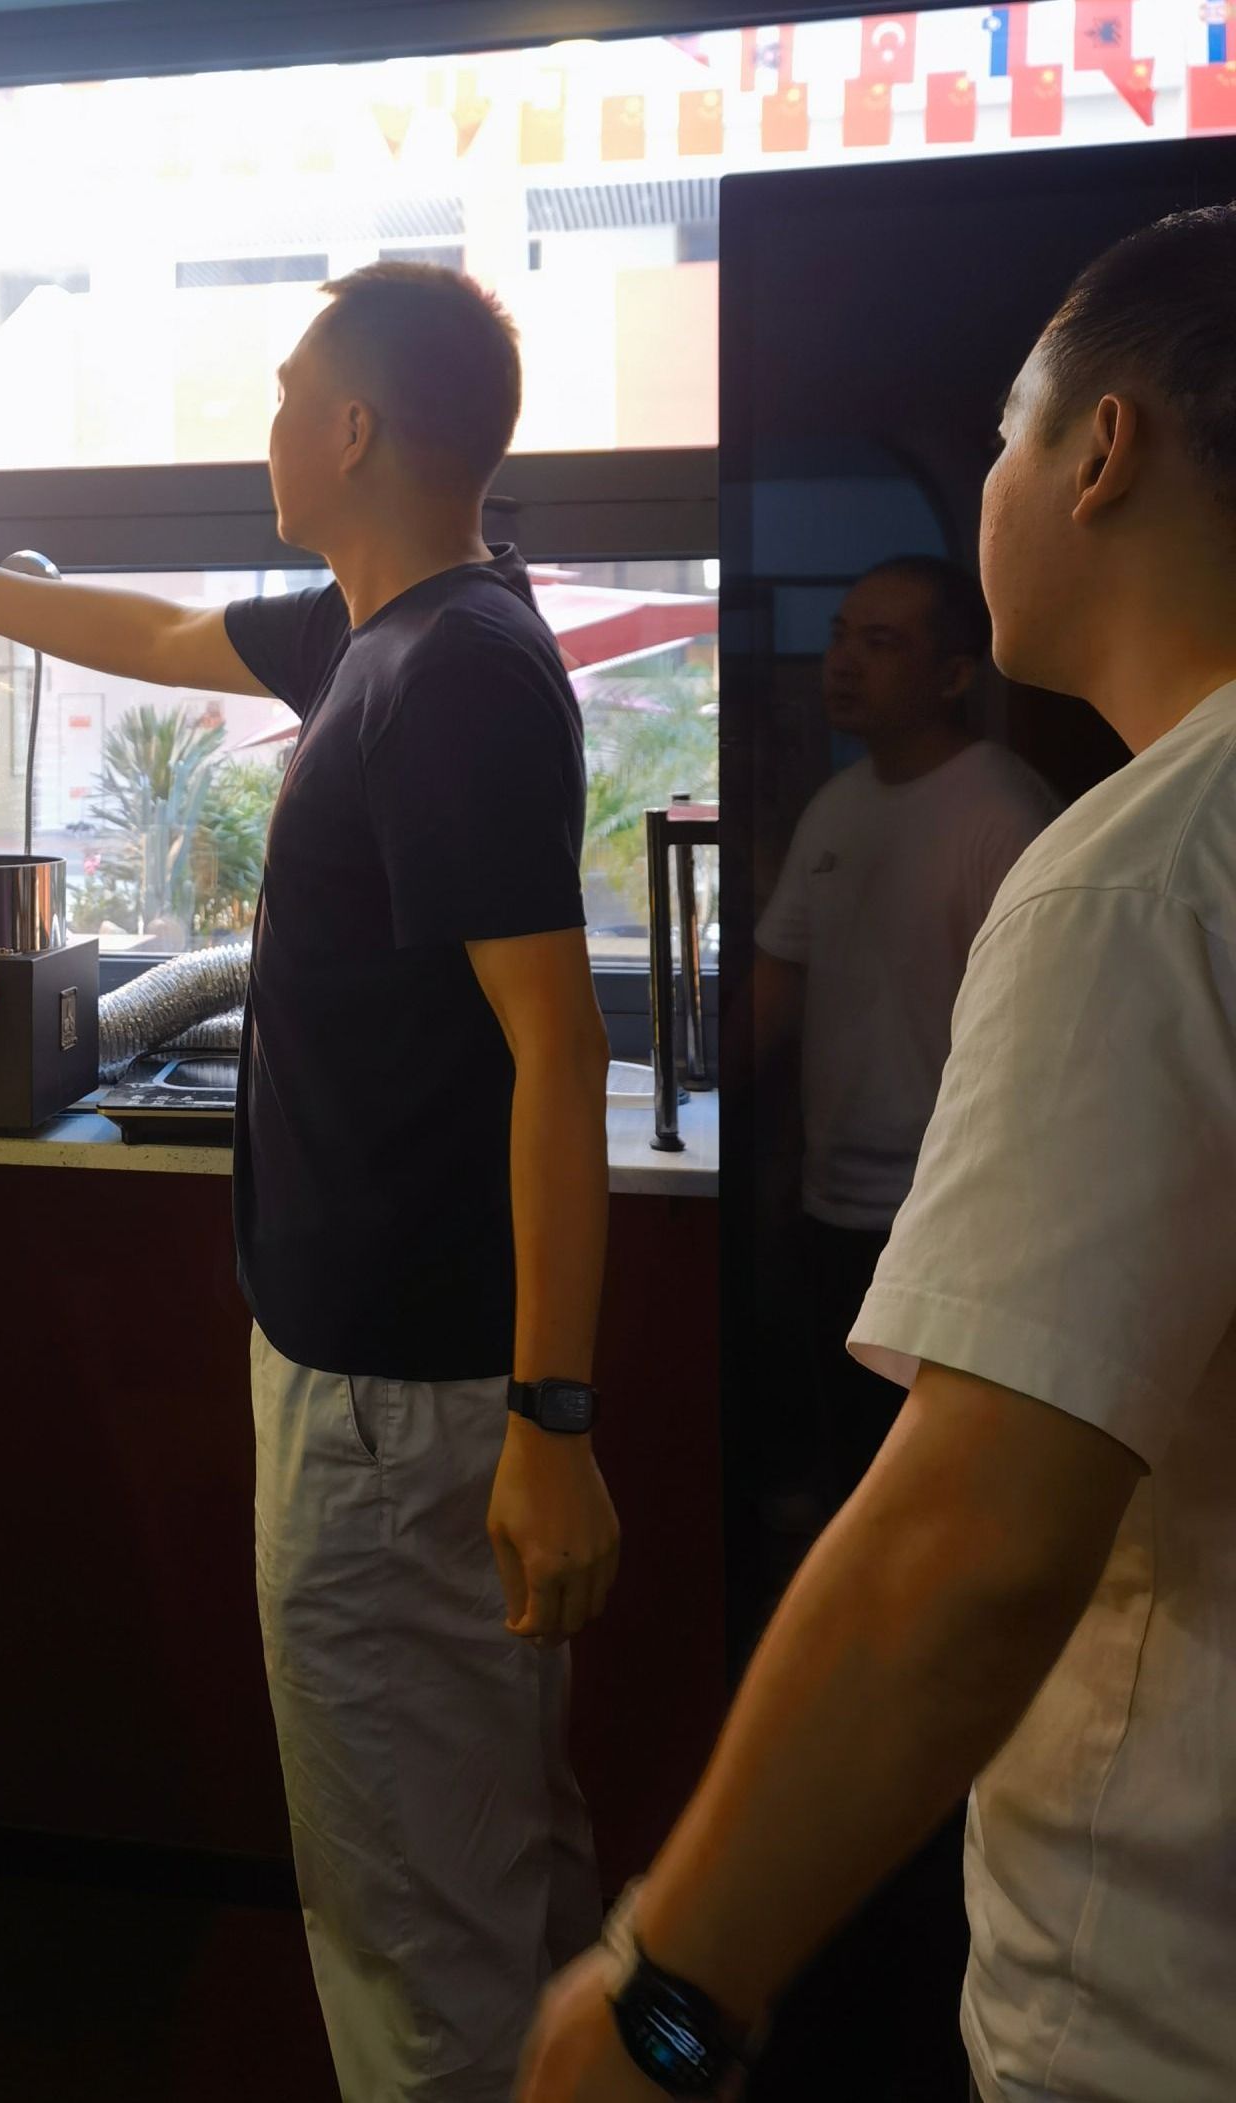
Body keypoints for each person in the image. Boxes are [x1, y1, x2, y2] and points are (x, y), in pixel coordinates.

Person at [0, 261, 617, 2101]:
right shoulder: (383, 633)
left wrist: (551, 1419)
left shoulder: (454, 674)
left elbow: (559, 1049)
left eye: (282, 397)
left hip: (404, 1404)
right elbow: (157, 636)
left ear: (352, 428)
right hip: (379, 1382)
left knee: (412, 1925)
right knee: (487, 1869)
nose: (266, 429)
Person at [517, 204, 1236, 2103]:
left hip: (1165, 1989)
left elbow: (968, 1546)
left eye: (1005, 431)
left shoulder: (1131, 875)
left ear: (1101, 450)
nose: (990, 478)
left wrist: (666, 1987)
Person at [756, 559, 1058, 1502]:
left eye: (881, 643)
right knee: (852, 1467)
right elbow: (778, 988)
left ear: (955, 674)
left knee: (934, 1498)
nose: (844, 662)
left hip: (950, 1224)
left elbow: (1047, 1042)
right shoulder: (837, 807)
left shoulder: (1003, 815)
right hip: (831, 1205)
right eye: (842, 635)